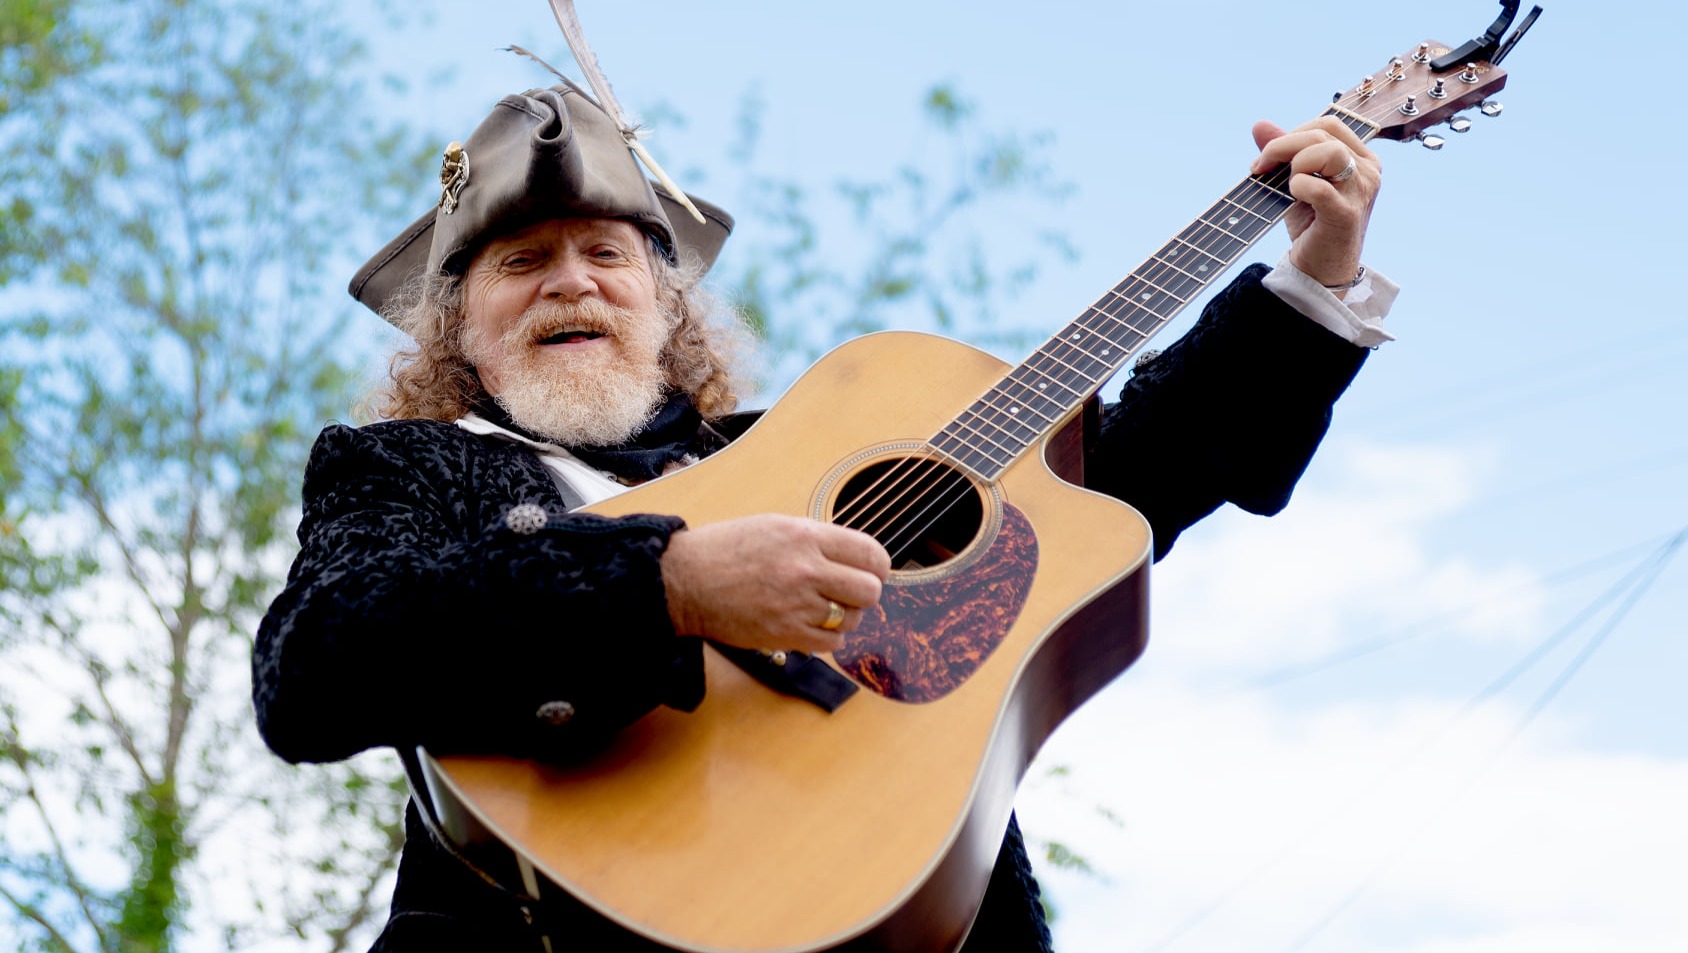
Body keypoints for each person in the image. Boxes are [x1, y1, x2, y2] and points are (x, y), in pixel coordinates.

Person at [253, 76, 1393, 953]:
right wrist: (668, 583)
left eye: (606, 251)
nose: (572, 280)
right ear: (458, 324)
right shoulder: (407, 465)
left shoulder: (797, 452)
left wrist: (1311, 281)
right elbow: (316, 657)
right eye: (521, 259)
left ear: (666, 306)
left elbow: (1116, 489)